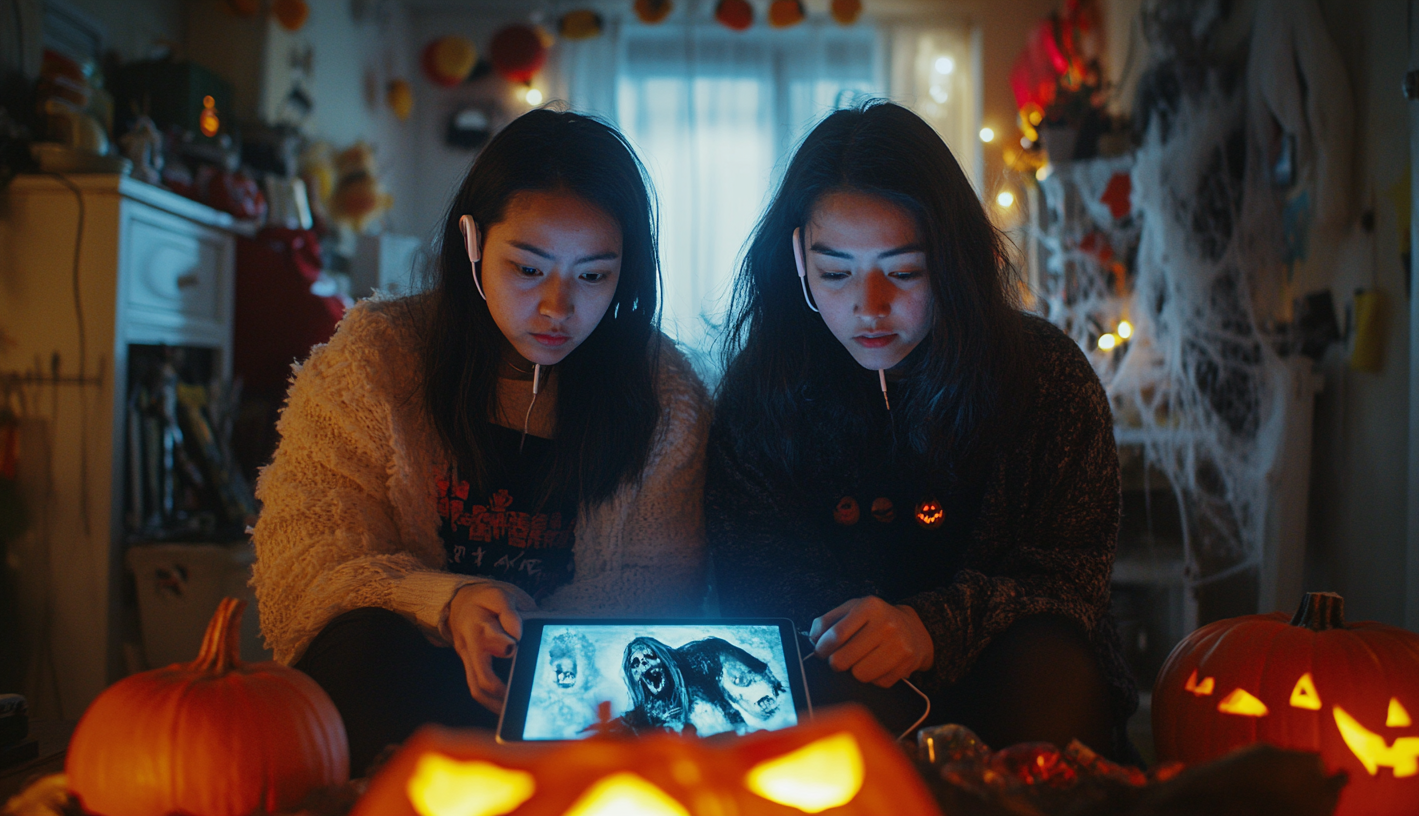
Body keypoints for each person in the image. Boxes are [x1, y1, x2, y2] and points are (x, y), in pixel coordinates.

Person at [250, 109, 710, 775]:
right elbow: (306, 572)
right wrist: (450, 602)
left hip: (578, 714)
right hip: (406, 691)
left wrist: (531, 643)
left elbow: (661, 590)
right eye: (527, 268)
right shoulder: (376, 359)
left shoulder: (663, 393)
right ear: (472, 241)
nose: (558, 305)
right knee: (365, 650)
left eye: (594, 275)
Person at [707, 102, 1138, 759]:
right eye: (835, 273)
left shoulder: (1045, 376)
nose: (869, 306)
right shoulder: (764, 392)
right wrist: (869, 635)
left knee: (1049, 671)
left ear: (954, 258)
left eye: (903, 272)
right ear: (798, 259)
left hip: (1024, 679)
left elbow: (1070, 580)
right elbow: (760, 589)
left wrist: (930, 625)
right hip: (845, 678)